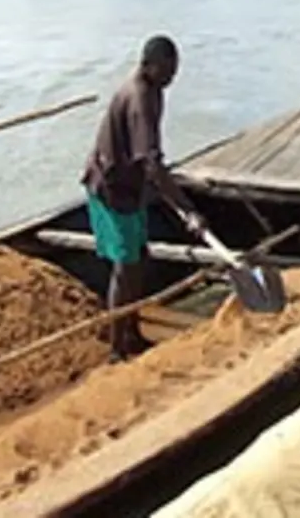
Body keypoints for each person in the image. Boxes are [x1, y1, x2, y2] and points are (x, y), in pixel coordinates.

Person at [82, 35, 209, 361]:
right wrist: (187, 209)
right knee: (125, 268)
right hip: (112, 190)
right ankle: (116, 348)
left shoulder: (153, 91)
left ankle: (132, 332)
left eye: (175, 72)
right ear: (149, 65)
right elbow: (151, 163)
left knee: (139, 259)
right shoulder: (138, 98)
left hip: (131, 188)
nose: (172, 78)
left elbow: (148, 161)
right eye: (168, 71)